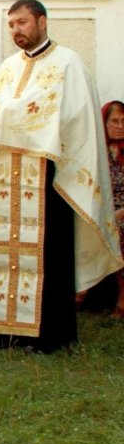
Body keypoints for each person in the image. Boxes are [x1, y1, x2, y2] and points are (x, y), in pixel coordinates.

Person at [0, 0, 123, 353]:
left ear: (42, 21)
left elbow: (79, 126)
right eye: (11, 25)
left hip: (50, 178)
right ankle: (5, 331)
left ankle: (48, 334)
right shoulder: (6, 68)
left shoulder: (69, 64)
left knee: (49, 254)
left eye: (22, 22)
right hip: (7, 176)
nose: (16, 30)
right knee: (6, 251)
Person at [100, 100, 124, 316]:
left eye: (123, 122)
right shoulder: (97, 153)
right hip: (102, 208)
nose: (119, 126)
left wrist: (119, 213)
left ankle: (122, 297)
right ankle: (84, 291)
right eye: (114, 121)